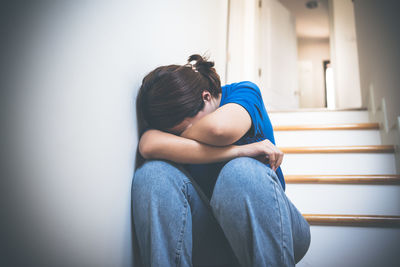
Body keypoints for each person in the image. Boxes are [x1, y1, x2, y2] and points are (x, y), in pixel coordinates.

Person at [131, 54, 311, 267]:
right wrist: (239, 151)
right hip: (213, 239)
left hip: (274, 229)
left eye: (186, 129)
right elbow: (148, 145)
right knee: (152, 173)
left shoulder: (242, 92)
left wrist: (175, 140)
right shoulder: (177, 116)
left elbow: (220, 129)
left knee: (239, 172)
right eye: (177, 134)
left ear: (206, 97)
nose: (185, 135)